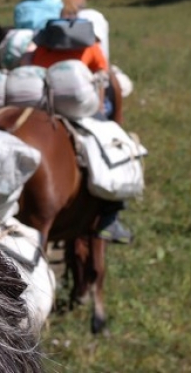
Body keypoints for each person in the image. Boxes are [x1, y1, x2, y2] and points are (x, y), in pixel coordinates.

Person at [29, 18, 134, 245]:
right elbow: (102, 77)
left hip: (43, 105)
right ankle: (110, 214)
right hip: (81, 106)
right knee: (115, 147)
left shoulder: (41, 49)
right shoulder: (91, 47)